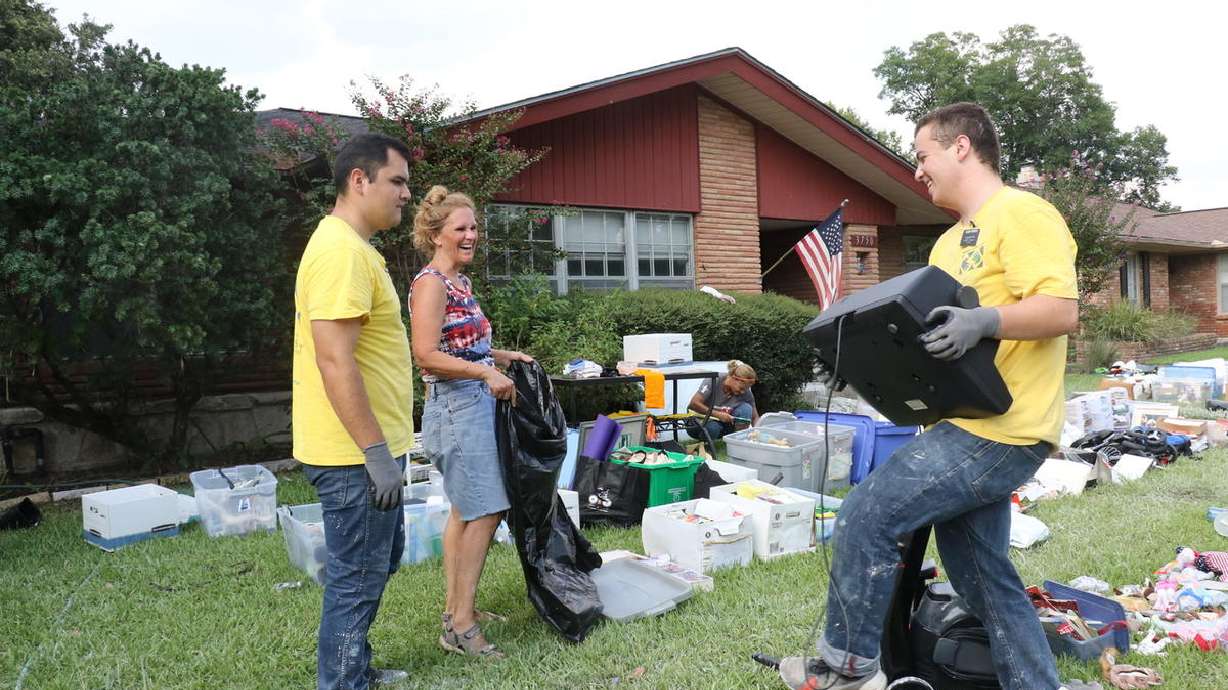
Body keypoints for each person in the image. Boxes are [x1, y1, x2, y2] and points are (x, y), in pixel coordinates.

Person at [779, 102, 1079, 690]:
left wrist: (984, 321)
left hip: (1004, 426)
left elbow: (1061, 309)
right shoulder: (948, 245)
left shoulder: (1021, 212)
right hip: (961, 422)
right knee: (980, 578)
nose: (918, 171)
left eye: (923, 155)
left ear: (961, 146)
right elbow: (926, 341)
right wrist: (869, 366)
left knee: (866, 515)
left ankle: (845, 673)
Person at [292, 133, 416, 690]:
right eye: (397, 181)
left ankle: (352, 669)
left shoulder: (354, 247)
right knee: (356, 578)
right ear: (358, 180)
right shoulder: (340, 252)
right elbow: (335, 362)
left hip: (370, 451)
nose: (407, 194)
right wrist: (374, 453)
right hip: (354, 457)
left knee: (372, 567)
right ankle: (343, 683)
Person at [408, 185, 533, 660]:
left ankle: (458, 610)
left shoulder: (460, 283)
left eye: (474, 227)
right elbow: (425, 354)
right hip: (456, 405)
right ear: (436, 234)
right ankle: (461, 627)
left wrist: (502, 356)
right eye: (460, 228)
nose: (470, 235)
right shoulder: (431, 283)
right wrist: (485, 371)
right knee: (486, 509)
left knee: (465, 509)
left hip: (472, 402)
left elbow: (462, 345)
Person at [687, 360, 760, 441]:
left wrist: (758, 431)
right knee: (713, 428)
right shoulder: (714, 380)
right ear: (734, 378)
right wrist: (718, 415)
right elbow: (693, 404)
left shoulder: (745, 393)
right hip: (697, 423)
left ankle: (739, 441)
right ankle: (705, 445)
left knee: (746, 409)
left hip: (722, 424)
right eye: (741, 388)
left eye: (746, 389)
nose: (743, 392)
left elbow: (755, 417)